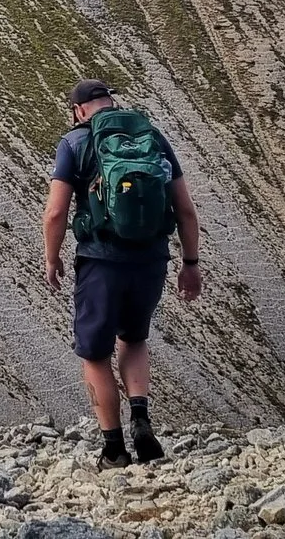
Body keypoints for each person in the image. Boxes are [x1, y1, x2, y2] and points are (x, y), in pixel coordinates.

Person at [42, 78, 202, 466]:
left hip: (100, 260)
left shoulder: (75, 143)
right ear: (111, 102)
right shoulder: (152, 137)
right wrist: (190, 265)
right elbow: (185, 209)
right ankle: (142, 419)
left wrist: (52, 257)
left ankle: (114, 449)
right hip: (151, 260)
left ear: (79, 110)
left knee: (95, 353)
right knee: (133, 339)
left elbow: (56, 212)